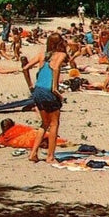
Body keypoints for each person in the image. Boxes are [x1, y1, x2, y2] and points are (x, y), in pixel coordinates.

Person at [24, 32, 68, 163]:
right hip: (48, 91)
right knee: (54, 124)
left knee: (44, 123)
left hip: (38, 90)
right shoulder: (61, 55)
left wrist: (30, 86)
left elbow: (25, 68)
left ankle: (33, 153)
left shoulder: (42, 55)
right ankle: (50, 156)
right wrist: (55, 88)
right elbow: (55, 68)